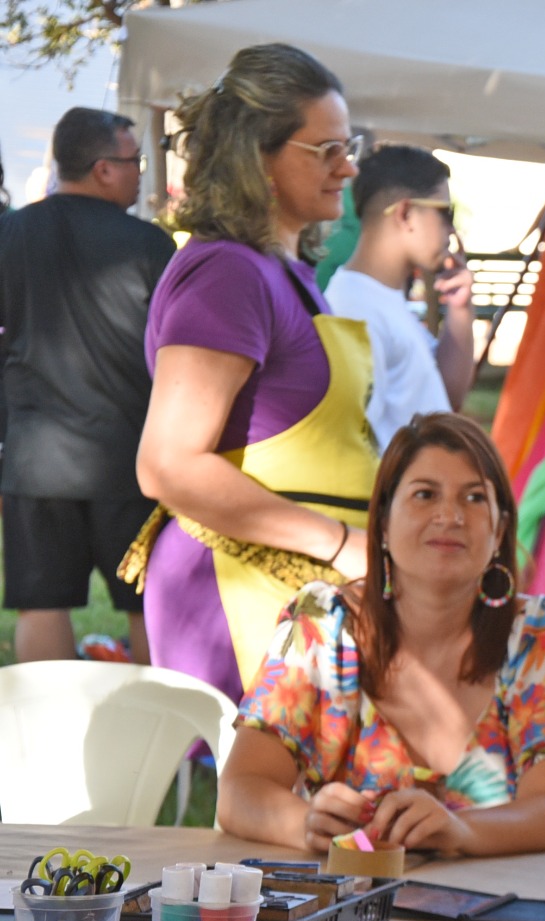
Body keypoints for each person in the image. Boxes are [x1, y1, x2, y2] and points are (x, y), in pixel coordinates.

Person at [219, 413, 545, 855]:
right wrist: (305, 824)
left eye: (475, 498)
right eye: (425, 494)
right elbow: (240, 791)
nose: (450, 515)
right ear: (381, 524)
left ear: (499, 532)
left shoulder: (544, 637)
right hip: (348, 912)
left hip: (507, 915)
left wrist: (461, 832)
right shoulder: (322, 626)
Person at [125, 44, 377, 703]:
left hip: (299, 581)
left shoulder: (280, 269)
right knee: (269, 798)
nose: (347, 167)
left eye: (349, 145)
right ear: (257, 157)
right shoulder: (230, 275)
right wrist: (340, 542)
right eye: (325, 151)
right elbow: (168, 464)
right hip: (244, 585)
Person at [0, 108, 175, 662]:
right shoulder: (150, 246)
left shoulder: (10, 233)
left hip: (35, 458)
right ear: (103, 169)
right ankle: (166, 746)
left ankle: (50, 742)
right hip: (131, 458)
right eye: (134, 163)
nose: (140, 175)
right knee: (147, 603)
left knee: (41, 605)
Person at [325, 144, 475, 450]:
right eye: (445, 213)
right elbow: (356, 440)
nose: (451, 229)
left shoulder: (382, 297)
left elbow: (447, 395)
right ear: (406, 213)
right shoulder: (355, 309)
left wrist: (460, 310)